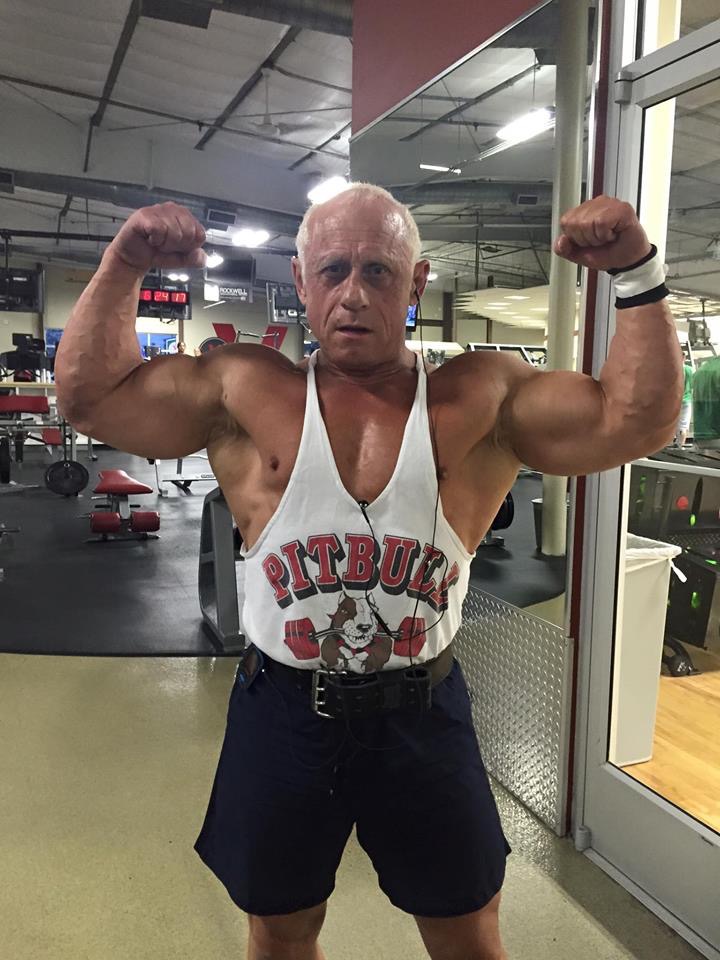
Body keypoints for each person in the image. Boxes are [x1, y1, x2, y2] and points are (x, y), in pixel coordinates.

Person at [55, 186, 682, 960]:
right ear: (301, 280)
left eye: (378, 271)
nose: (352, 294)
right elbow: (90, 401)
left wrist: (636, 272)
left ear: (416, 282)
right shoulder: (242, 388)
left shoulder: (481, 396)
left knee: (467, 933)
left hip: (423, 713)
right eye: (333, 270)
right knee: (279, 933)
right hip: (283, 707)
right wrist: (123, 262)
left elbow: (636, 420)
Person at [674, 361, 694, 447]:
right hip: (686, 400)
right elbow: (693, 385)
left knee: (676, 423)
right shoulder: (689, 370)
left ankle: (677, 442)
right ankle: (680, 444)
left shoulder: (673, 369)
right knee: (683, 425)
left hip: (675, 400)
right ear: (684, 358)